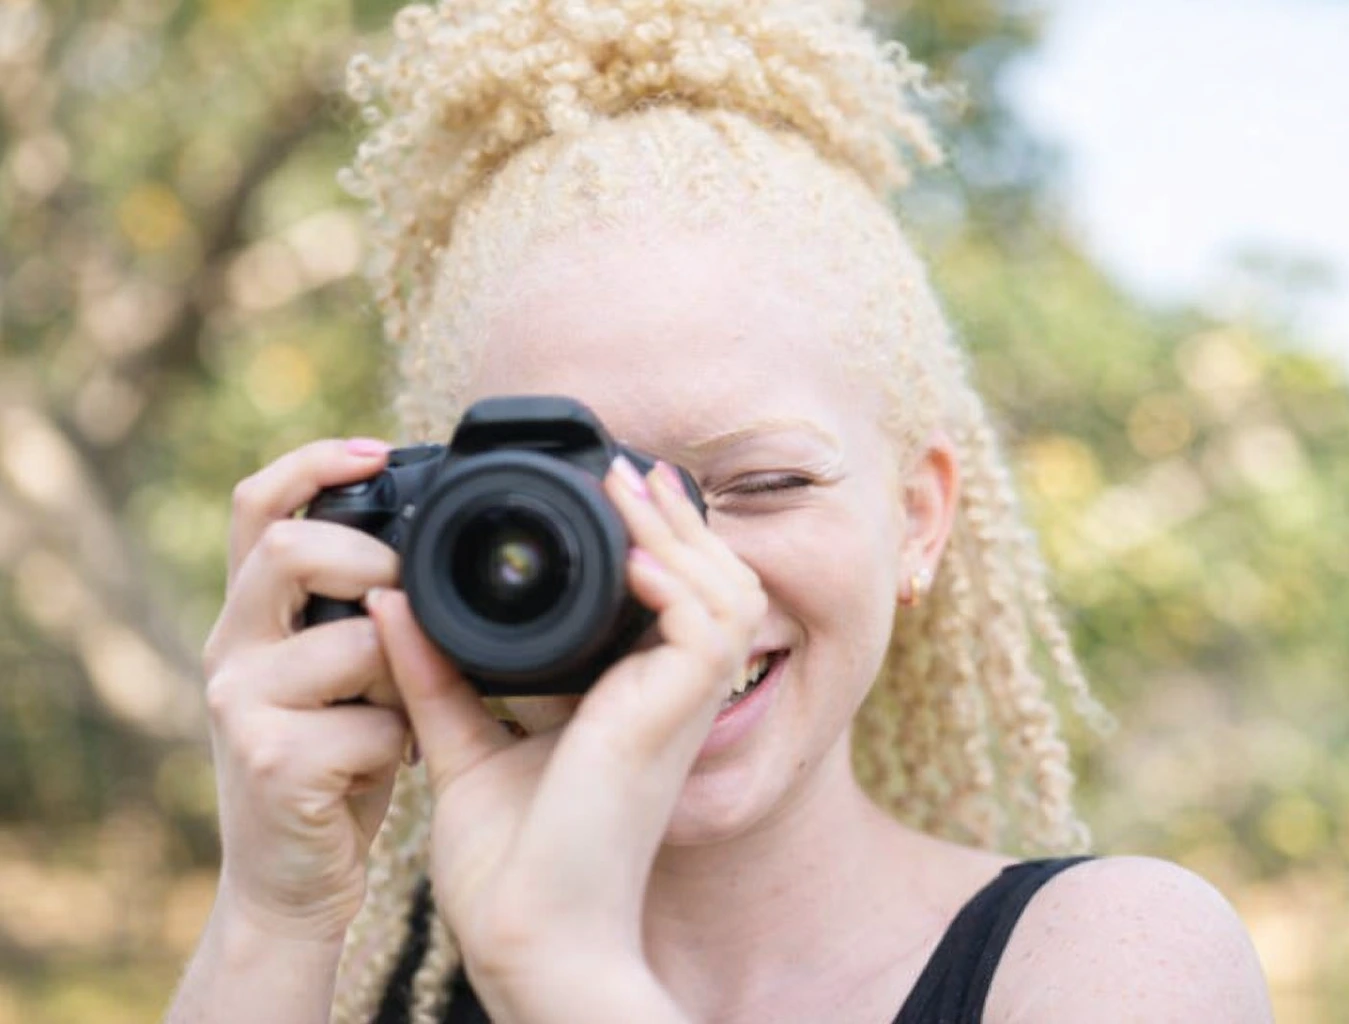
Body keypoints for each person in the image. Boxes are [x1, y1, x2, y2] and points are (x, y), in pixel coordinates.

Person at [166, 1, 1274, 1021]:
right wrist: (275, 918)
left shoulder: (1114, 957)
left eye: (765, 482)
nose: (676, 577)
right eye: (571, 506)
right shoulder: (374, 980)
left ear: (920, 517)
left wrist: (566, 971)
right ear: (428, 538)